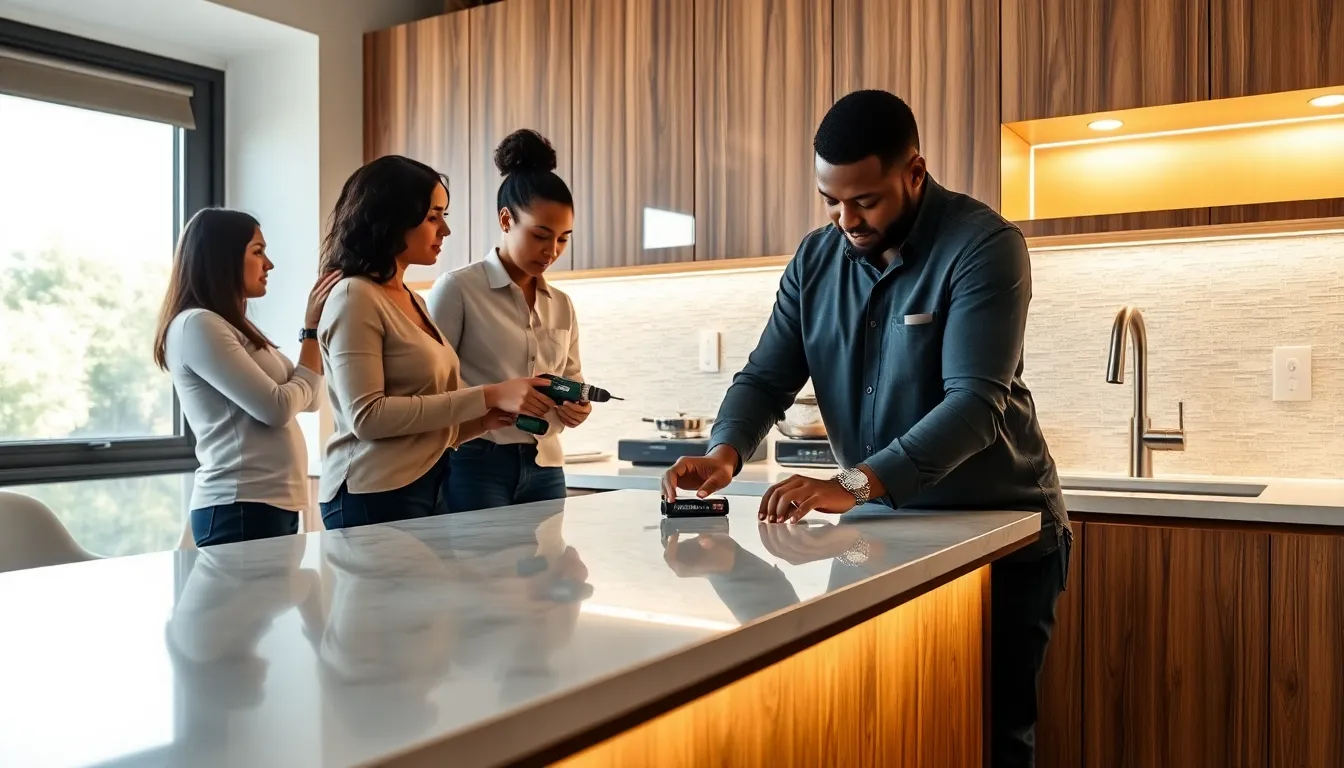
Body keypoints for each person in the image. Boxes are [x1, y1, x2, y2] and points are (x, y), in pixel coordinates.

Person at [660, 89, 1072, 767]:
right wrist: (725, 453)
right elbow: (765, 378)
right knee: (883, 731)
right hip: (879, 535)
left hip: (1001, 534)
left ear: (914, 172)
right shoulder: (815, 261)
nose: (845, 219)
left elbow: (974, 405)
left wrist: (852, 483)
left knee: (994, 739)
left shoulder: (985, 246)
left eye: (865, 201)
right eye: (830, 200)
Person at [317, 155, 555, 530]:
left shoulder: (413, 300)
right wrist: (489, 395)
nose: (444, 230)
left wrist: (480, 423)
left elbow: (419, 426)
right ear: (392, 218)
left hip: (428, 486)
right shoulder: (355, 296)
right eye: (433, 216)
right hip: (371, 495)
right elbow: (368, 418)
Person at [154, 208, 339, 547]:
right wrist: (310, 332)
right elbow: (279, 409)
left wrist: (310, 346)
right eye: (257, 252)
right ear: (221, 259)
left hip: (267, 504)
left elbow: (310, 398)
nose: (268, 264)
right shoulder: (198, 325)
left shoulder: (232, 328)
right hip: (239, 505)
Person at [426, 129, 587, 512]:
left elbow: (573, 378)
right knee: (482, 572)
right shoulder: (457, 290)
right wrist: (495, 397)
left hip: (547, 464)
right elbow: (430, 388)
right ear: (505, 219)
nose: (551, 251)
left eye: (563, 239)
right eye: (540, 236)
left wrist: (577, 404)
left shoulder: (561, 305)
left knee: (549, 572)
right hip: (475, 461)